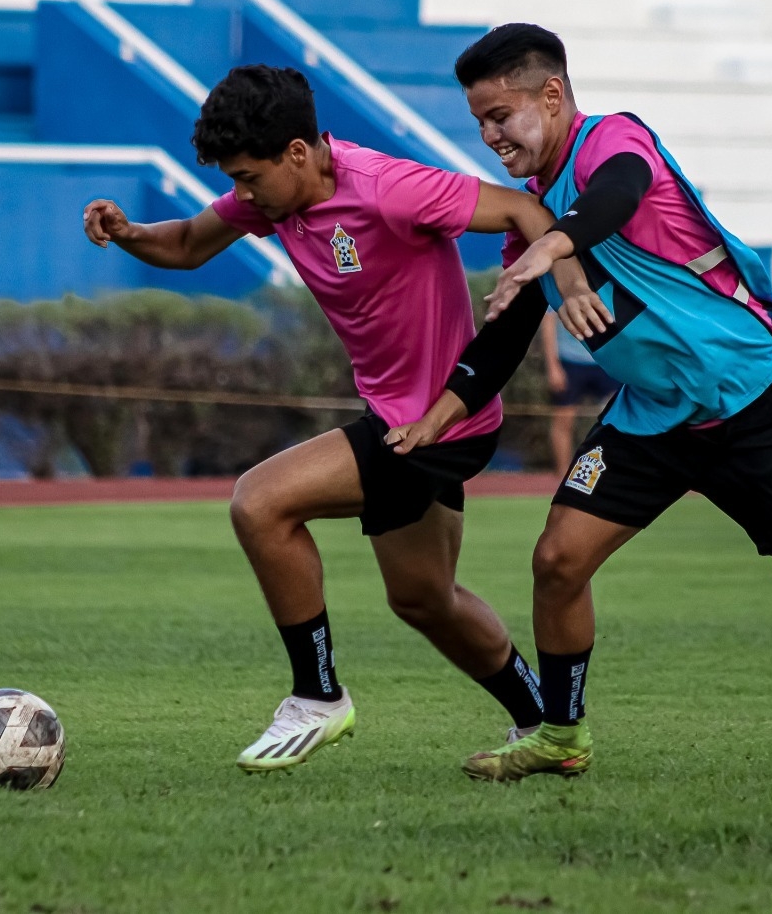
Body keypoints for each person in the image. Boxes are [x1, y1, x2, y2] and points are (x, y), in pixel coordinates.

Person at [385, 24, 772, 783]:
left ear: (551, 97)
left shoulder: (612, 140)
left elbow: (617, 197)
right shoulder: (532, 220)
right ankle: (561, 735)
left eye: (499, 116)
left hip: (750, 395)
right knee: (557, 561)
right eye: (479, 122)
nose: (489, 136)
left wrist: (556, 247)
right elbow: (501, 343)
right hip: (653, 414)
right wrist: (435, 418)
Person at [83, 64, 590, 772]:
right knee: (424, 599)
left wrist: (558, 277)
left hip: (437, 423)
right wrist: (129, 231)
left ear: (297, 153)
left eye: (248, 176)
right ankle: (548, 729)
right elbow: (189, 245)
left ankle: (317, 696)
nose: (241, 193)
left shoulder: (390, 189)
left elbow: (522, 210)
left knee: (259, 503)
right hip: (398, 420)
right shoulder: (274, 199)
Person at [541, 312, 619, 471]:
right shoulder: (558, 286)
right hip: (569, 361)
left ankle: (613, 473)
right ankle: (562, 477)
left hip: (606, 360)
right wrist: (552, 366)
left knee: (618, 419)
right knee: (564, 421)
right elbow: (548, 321)